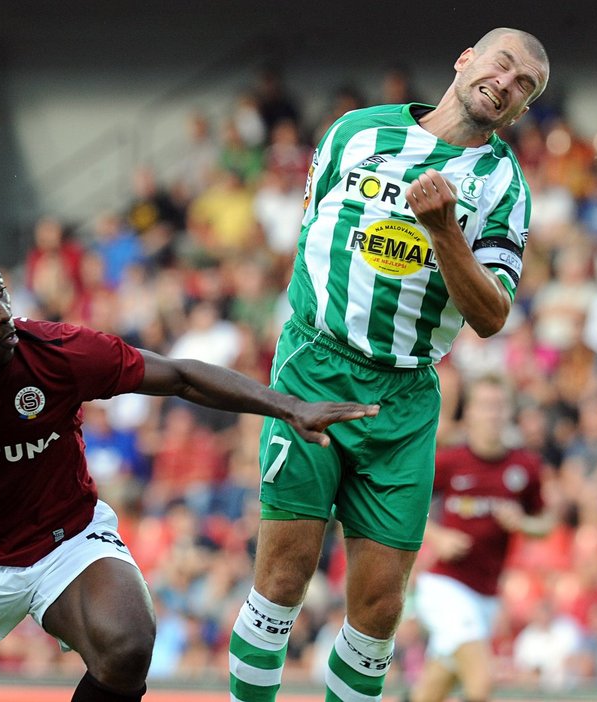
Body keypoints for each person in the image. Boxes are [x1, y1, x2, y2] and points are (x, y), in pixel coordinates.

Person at [0, 231, 379, 702]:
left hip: (66, 543)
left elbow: (179, 375)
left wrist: (290, 406)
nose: (3, 313)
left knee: (128, 646)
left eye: (1, 292)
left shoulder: (56, 352)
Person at [226, 27, 550, 701]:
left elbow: (491, 316)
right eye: (504, 65)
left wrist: (442, 230)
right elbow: (317, 229)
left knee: (377, 611)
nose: (508, 84)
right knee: (283, 579)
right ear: (466, 59)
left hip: (403, 399)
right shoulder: (355, 132)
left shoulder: (505, 189)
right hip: (315, 367)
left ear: (522, 111)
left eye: (526, 87)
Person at [407, 375, 554, 702]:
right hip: (445, 586)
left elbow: (545, 520)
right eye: (486, 406)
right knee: (481, 683)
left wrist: (524, 524)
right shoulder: (450, 461)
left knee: (433, 688)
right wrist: (437, 535)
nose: (493, 414)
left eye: (500, 406)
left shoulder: (524, 467)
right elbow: (407, 504)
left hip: (487, 594)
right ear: (470, 412)